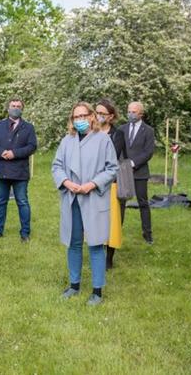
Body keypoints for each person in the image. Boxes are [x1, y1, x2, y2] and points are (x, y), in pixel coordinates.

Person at [52, 102, 118, 305]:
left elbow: (112, 169)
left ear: (91, 117)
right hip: (71, 197)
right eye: (75, 117)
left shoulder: (103, 140)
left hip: (93, 197)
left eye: (83, 116)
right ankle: (74, 285)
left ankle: (97, 291)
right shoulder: (67, 141)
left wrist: (91, 184)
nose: (79, 120)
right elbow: (57, 166)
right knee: (73, 242)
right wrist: (67, 182)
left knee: (96, 244)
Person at [0, 98, 38, 242]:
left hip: (20, 172)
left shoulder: (28, 128)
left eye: (18, 106)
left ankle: (25, 233)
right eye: (13, 106)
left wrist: (14, 153)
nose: (15, 108)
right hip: (1, 170)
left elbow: (32, 146)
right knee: (1, 202)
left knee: (22, 201)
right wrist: (1, 152)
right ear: (7, 108)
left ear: (22, 109)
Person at [95, 99, 127, 270]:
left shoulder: (118, 134)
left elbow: (111, 155)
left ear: (111, 116)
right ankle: (97, 252)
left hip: (112, 183)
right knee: (96, 219)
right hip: (93, 183)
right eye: (96, 112)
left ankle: (109, 257)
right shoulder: (90, 132)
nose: (98, 116)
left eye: (102, 113)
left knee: (112, 220)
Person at [119, 101, 155, 244]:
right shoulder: (121, 129)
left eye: (133, 112)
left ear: (141, 114)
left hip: (140, 172)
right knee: (121, 202)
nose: (130, 114)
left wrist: (133, 163)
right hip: (123, 171)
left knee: (143, 203)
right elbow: (118, 149)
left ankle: (147, 233)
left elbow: (148, 152)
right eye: (129, 111)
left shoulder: (148, 131)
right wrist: (123, 164)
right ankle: (116, 231)